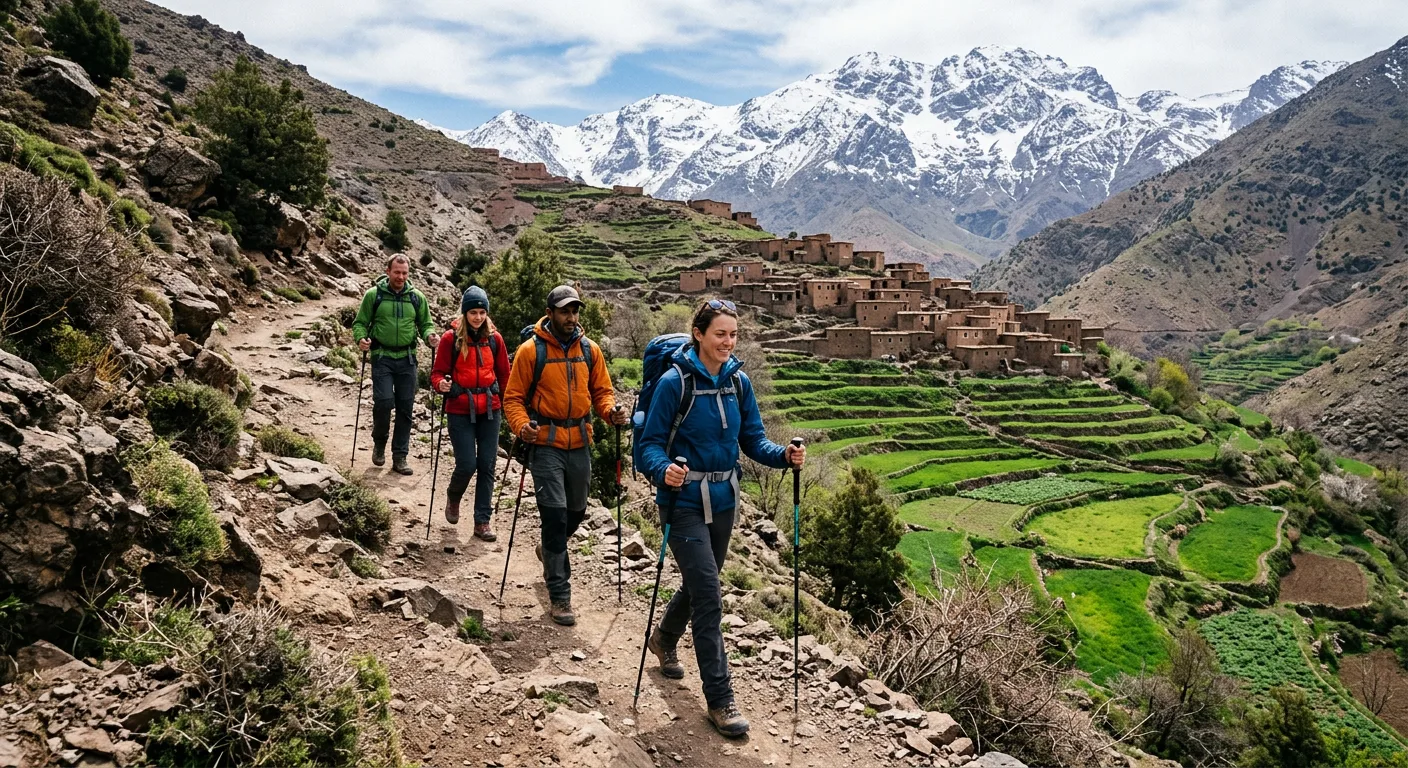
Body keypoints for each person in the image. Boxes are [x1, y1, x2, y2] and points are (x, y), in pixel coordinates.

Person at [636, 298, 804, 738]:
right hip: (683, 501)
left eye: (733, 334)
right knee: (710, 595)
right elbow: (648, 446)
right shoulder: (675, 383)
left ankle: (664, 639)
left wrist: (783, 456)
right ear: (699, 334)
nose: (728, 342)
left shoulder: (739, 383)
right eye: (720, 334)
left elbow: (753, 440)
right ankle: (721, 700)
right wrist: (663, 469)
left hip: (726, 499)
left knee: (698, 584)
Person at [502, 285, 630, 626]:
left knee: (576, 511)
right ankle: (560, 596)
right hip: (545, 443)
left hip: (580, 442)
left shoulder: (591, 351)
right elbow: (512, 398)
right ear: (551, 312)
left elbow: (602, 392)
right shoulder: (531, 351)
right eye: (564, 311)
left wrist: (611, 412)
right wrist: (521, 426)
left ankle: (549, 549)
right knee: (555, 517)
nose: (571, 317)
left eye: (574, 311)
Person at [430, 286, 510, 540]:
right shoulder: (450, 339)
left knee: (487, 465)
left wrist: (511, 406)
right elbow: (437, 373)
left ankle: (482, 522)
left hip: (490, 408)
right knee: (467, 464)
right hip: (459, 409)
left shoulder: (495, 340)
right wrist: (440, 384)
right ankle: (454, 497)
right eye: (473, 312)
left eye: (482, 312)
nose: (477, 317)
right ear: (465, 313)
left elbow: (505, 375)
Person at [352, 254, 436, 475]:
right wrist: (361, 338)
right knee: (384, 402)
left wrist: (430, 337)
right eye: (397, 272)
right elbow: (360, 322)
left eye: (404, 273)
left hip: (407, 359)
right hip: (382, 357)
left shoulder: (416, 298)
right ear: (388, 271)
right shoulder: (374, 296)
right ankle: (379, 444)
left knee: (405, 408)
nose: (400, 277)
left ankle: (400, 457)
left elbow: (425, 324)